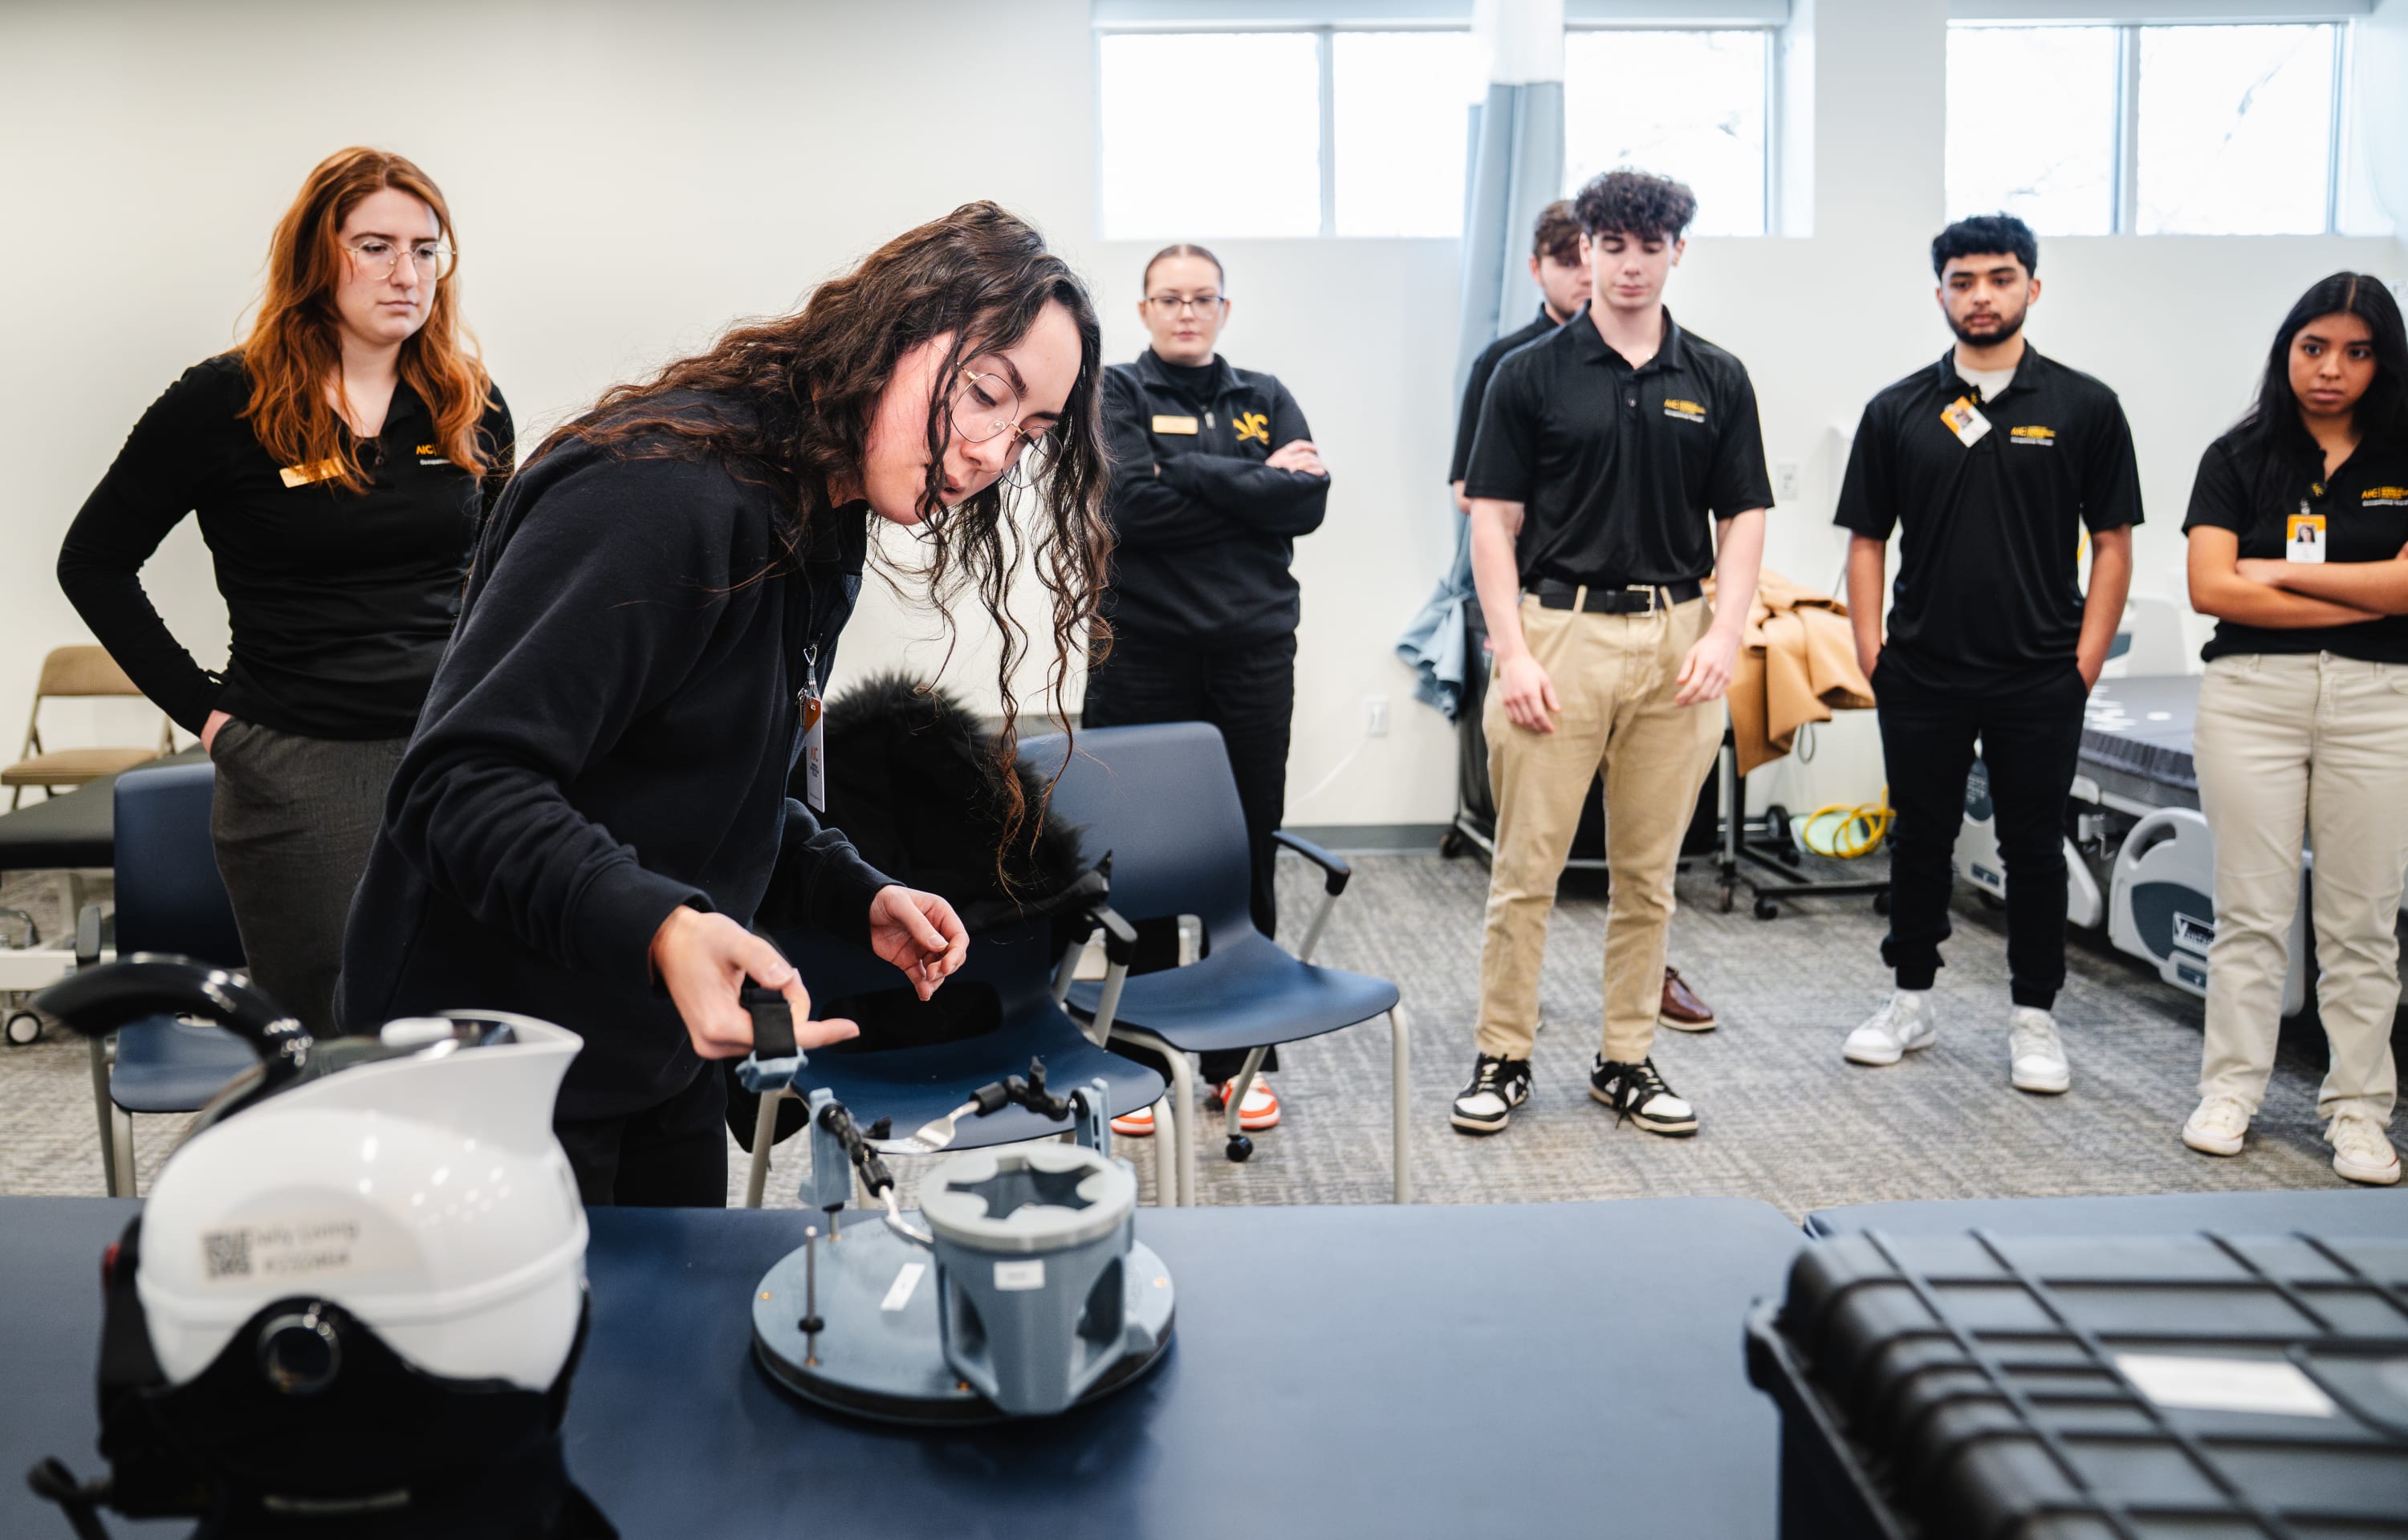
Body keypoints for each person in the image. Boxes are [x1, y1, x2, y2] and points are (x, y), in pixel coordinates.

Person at [340, 203, 1110, 1206]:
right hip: (495, 1062)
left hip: (657, 1040)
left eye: (1031, 434)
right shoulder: (657, 497)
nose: (993, 453)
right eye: (985, 395)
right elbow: (457, 785)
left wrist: (851, 889)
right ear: (893, 332)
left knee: (691, 1300)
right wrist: (664, 926)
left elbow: (713, 783)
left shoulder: (823, 519)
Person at [58, 148, 510, 1036]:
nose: (407, 273)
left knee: (463, 1028)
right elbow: (93, 561)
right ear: (316, 256)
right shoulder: (225, 402)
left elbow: (503, 573)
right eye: (375, 247)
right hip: (297, 766)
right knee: (331, 1039)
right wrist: (209, 716)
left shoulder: (468, 402)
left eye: (426, 250)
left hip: (448, 755)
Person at [1448, 169, 1769, 1139]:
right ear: (1584, 251)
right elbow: (1491, 522)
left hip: (1677, 640)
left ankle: (1625, 1057)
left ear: (1678, 252)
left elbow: (1744, 517)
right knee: (1527, 871)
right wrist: (1513, 653)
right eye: (1613, 246)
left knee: (1648, 875)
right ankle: (1504, 1054)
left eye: (1650, 247)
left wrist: (1724, 632)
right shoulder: (1528, 374)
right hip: (1558, 635)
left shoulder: (1716, 376)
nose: (1631, 265)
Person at [1837, 213, 2140, 1093]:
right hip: (1921, 671)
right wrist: (1872, 651)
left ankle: (2034, 1015)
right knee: (1919, 839)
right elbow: (1866, 540)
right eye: (1963, 281)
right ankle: (1910, 999)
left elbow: (2113, 544)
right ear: (1939, 292)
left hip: (2040, 673)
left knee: (2034, 846)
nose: (1981, 296)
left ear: (2032, 287)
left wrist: (2082, 665)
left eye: (2001, 278)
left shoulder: (2085, 407)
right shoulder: (1896, 409)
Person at [1085, 243, 1329, 1139]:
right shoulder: (1112, 393)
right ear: (1144, 309)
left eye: (1201, 298)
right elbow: (1126, 507)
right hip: (1139, 656)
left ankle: (1239, 1059)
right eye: (1169, 298)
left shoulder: (1264, 395)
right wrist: (1254, 484)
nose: (1186, 312)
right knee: (1140, 859)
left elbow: (1307, 505)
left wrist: (1179, 471)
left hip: (1251, 658)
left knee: (1245, 850)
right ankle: (1143, 1061)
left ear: (1224, 308)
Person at [2180, 272, 2408, 1187]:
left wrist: (2274, 572)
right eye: (2314, 348)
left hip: (2381, 702)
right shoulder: (2236, 455)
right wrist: (2369, 595)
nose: (2331, 369)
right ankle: (2229, 1091)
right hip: (2252, 698)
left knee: (2363, 922)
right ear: (2287, 351)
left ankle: (2359, 1110)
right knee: (2250, 914)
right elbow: (2211, 587)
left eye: (2357, 352)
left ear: (2383, 361)